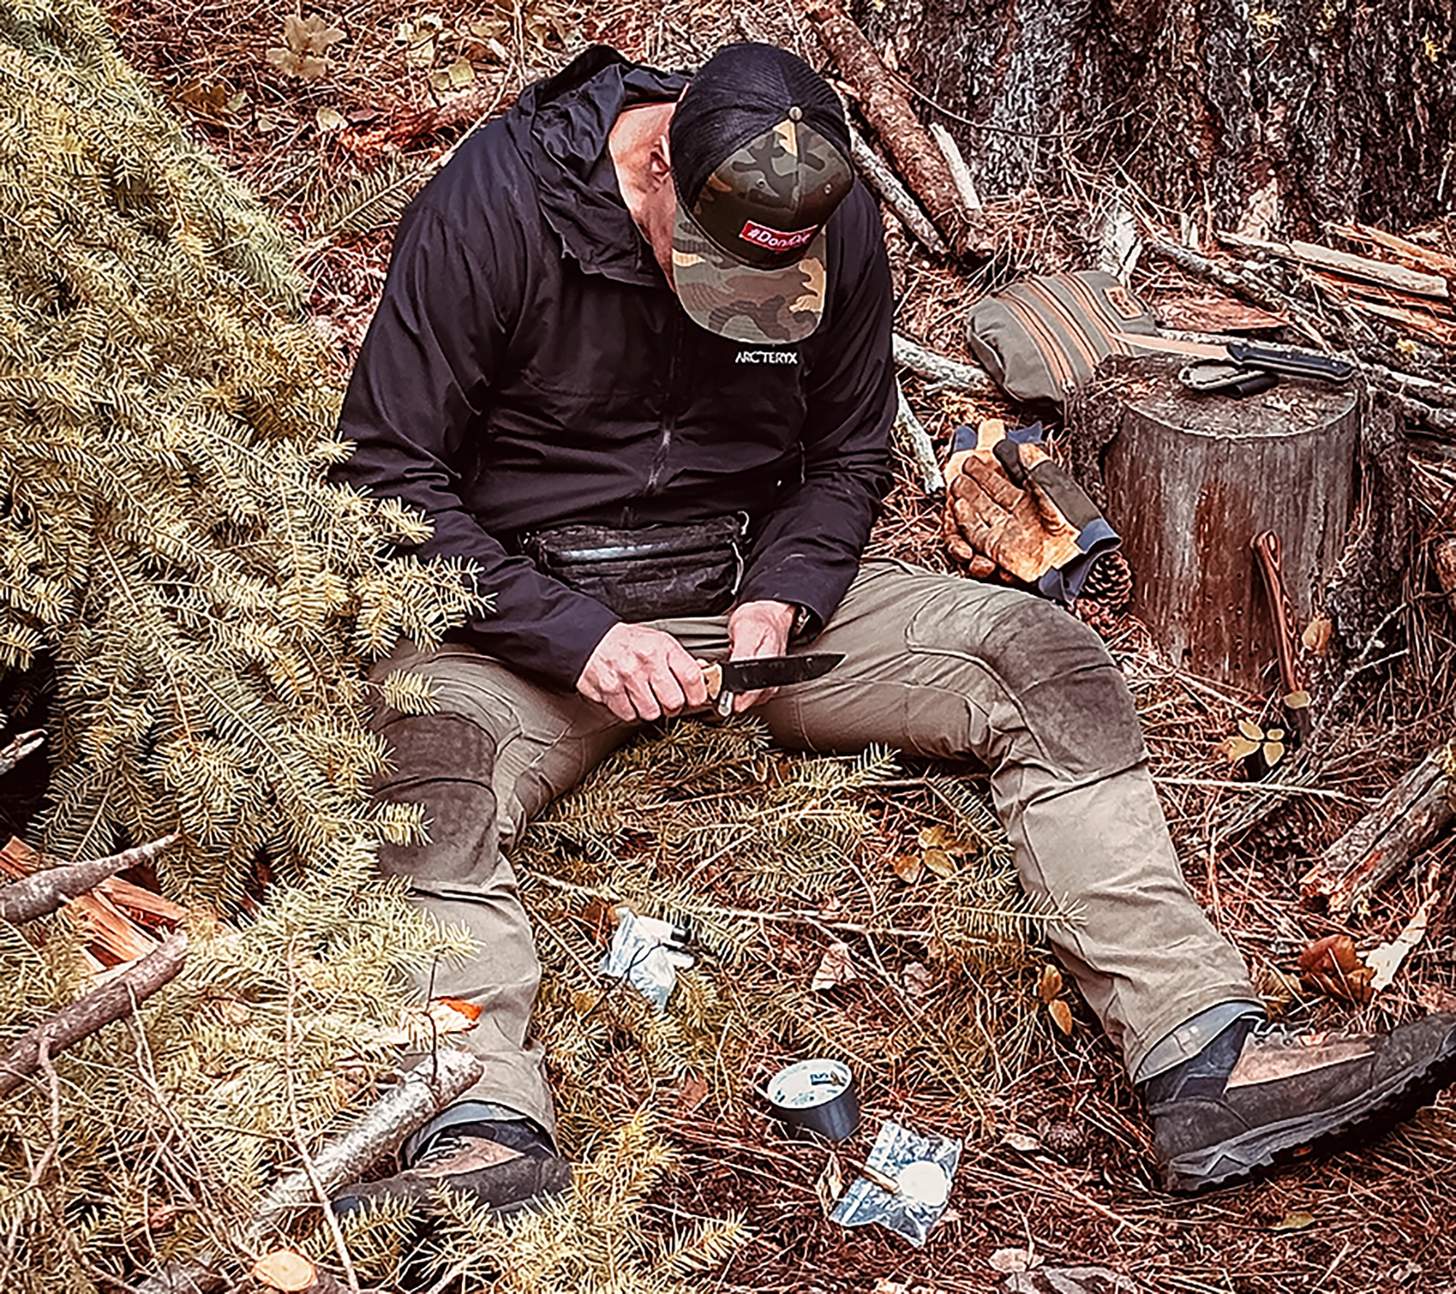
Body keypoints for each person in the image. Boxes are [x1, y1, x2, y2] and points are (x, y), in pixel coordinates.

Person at [330, 41, 1456, 1213]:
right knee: (427, 782)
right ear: (656, 167)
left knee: (1044, 661)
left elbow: (847, 449)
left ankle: (1202, 1053)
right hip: (526, 619)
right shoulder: (500, 203)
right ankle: (481, 1127)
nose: (740, 304)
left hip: (739, 598)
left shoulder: (829, 213)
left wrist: (785, 593)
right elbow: (384, 475)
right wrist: (575, 635)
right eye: (705, 262)